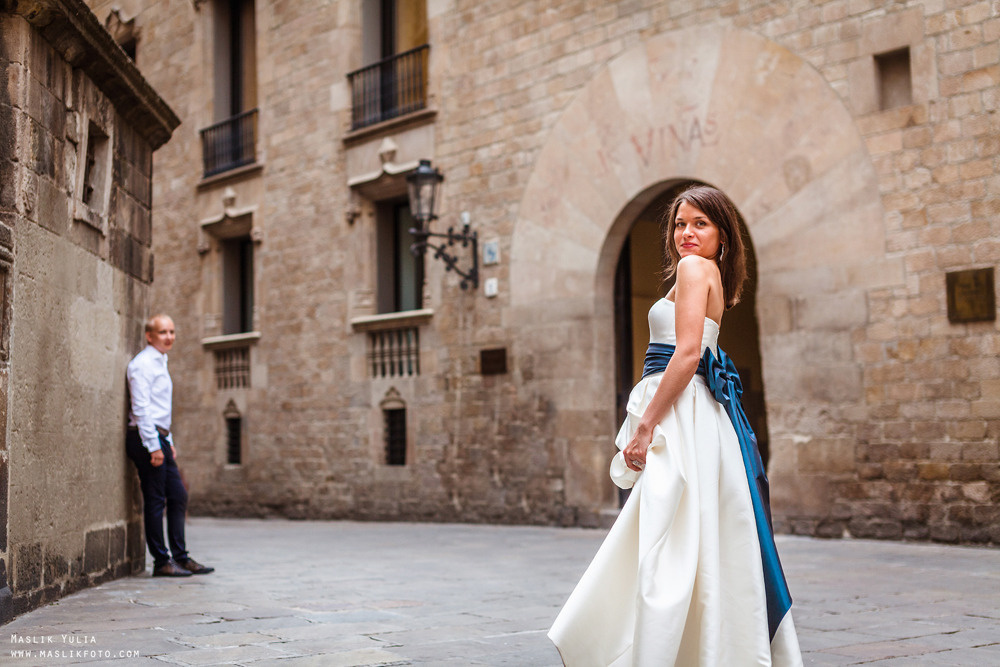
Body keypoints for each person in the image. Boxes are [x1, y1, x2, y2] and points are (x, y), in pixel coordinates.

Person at [548, 186, 802, 666]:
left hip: (682, 414)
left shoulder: (693, 269)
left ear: (722, 236)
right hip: (701, 415)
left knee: (668, 534)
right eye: (680, 224)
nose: (686, 233)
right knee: (694, 530)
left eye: (700, 224)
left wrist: (646, 425)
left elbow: (687, 354)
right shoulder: (710, 274)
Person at [126, 314, 214, 578]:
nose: (169, 337)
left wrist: (168, 442)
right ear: (149, 336)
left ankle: (181, 557)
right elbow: (141, 409)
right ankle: (161, 562)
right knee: (155, 499)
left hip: (160, 436)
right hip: (145, 437)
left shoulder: (160, 362)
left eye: (172, 332)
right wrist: (153, 445)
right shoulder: (142, 365)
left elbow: (160, 409)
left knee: (178, 495)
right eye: (163, 332)